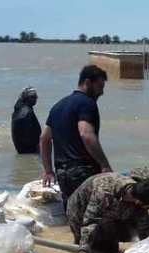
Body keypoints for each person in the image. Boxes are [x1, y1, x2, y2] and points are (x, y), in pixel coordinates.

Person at [40, 65, 112, 203]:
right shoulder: (87, 103)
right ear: (87, 82)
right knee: (91, 217)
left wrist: (48, 171)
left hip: (62, 173)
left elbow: (44, 139)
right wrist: (104, 165)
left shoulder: (58, 106)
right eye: (100, 87)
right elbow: (86, 133)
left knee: (72, 216)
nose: (101, 92)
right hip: (83, 171)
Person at [67, 173, 149, 253]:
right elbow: (90, 222)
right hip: (80, 210)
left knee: (111, 251)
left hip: (111, 210)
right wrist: (83, 249)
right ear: (139, 202)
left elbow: (144, 227)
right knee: (89, 249)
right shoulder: (104, 193)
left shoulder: (139, 195)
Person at [11, 86, 41, 154]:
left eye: (35, 97)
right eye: (32, 97)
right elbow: (29, 136)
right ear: (26, 98)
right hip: (29, 150)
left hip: (20, 149)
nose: (35, 99)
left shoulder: (18, 109)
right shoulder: (27, 113)